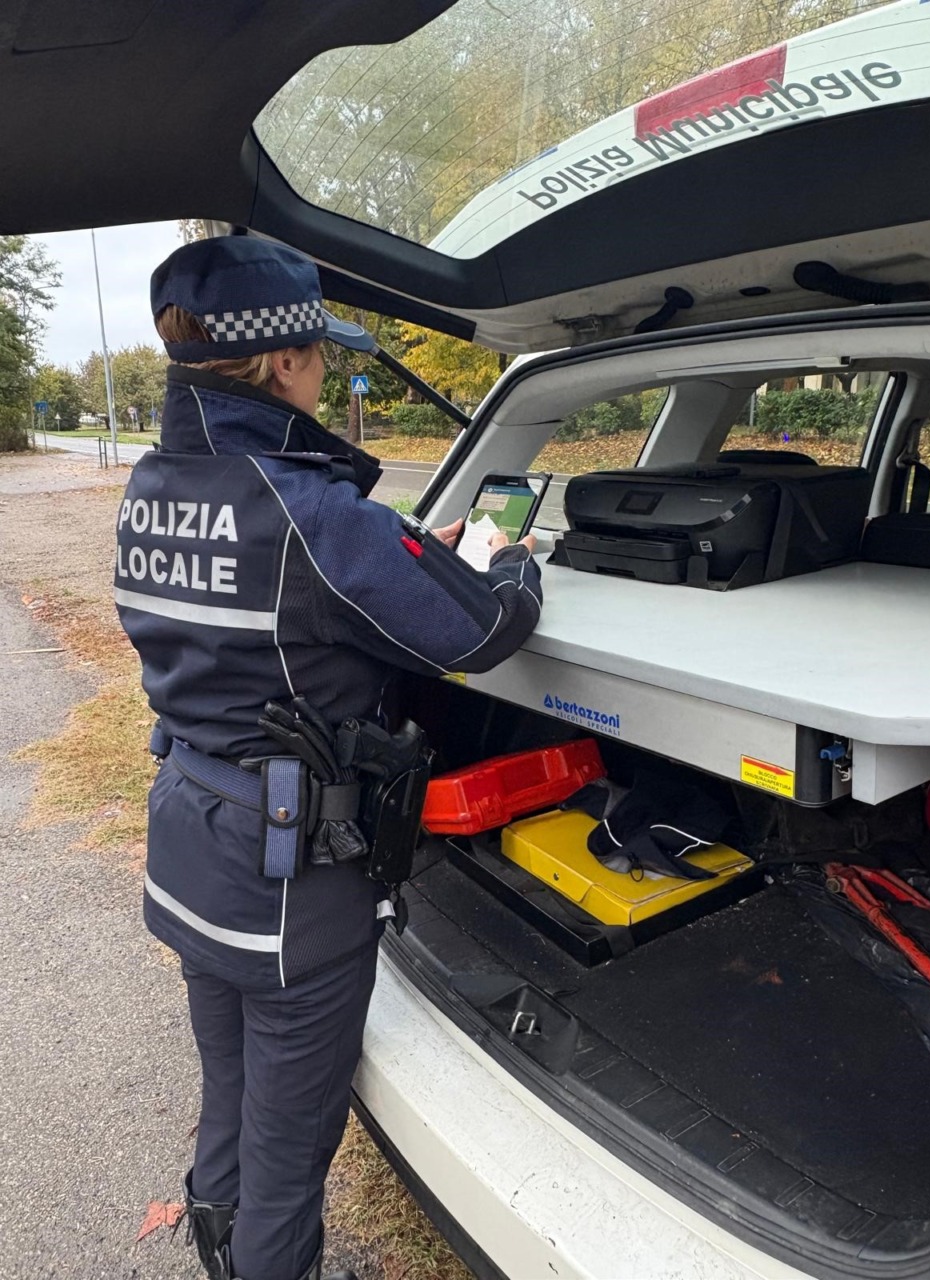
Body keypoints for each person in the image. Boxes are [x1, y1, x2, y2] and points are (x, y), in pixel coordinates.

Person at [114, 235, 543, 1280]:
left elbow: (274, 601)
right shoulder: (311, 510)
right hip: (286, 886)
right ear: (287, 363)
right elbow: (477, 633)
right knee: (293, 1138)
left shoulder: (155, 482)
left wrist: (395, 548)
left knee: (231, 1084)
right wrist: (513, 568)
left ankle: (220, 1240)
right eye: (314, 350)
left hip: (187, 844)